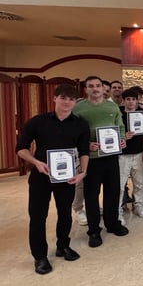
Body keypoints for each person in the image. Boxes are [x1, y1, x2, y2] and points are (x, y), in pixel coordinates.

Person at [16, 84, 90, 275]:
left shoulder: (80, 124)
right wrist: (36, 162)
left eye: (71, 99)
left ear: (75, 102)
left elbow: (84, 151)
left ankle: (63, 246)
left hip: (66, 177)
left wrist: (82, 172)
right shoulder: (37, 122)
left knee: (65, 213)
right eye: (63, 98)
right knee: (38, 216)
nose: (67, 102)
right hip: (41, 176)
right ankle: (40, 256)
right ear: (55, 98)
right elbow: (21, 149)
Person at [73, 76, 128, 248]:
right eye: (91, 86)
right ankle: (94, 231)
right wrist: (85, 145)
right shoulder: (78, 108)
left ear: (103, 88)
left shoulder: (111, 106)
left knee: (113, 191)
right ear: (86, 89)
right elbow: (73, 132)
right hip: (91, 159)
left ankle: (112, 223)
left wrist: (121, 139)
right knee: (91, 195)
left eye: (98, 85)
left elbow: (120, 126)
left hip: (111, 157)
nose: (95, 89)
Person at [118, 89, 143, 222]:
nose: (131, 102)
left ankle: (138, 205)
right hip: (123, 155)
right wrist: (123, 137)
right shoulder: (118, 114)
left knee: (140, 182)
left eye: (133, 99)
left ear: (137, 101)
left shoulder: (141, 114)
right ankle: (118, 209)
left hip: (138, 153)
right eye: (128, 99)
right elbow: (112, 133)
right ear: (124, 101)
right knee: (120, 184)